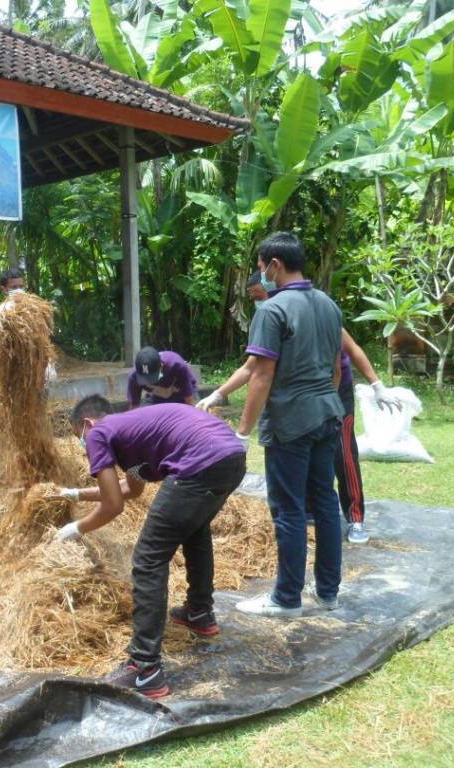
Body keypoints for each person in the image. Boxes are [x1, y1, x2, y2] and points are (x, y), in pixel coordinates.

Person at [52, 395, 246, 698]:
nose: (82, 443)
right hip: (231, 455)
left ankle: (145, 669)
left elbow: (113, 506)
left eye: (79, 435)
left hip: (200, 461)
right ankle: (199, 612)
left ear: (87, 424)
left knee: (147, 559)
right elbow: (130, 489)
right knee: (195, 530)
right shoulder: (131, 433)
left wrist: (76, 528)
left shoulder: (99, 433)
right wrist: (76, 494)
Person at [198, 328, 401, 546]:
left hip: (335, 394)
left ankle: (356, 519)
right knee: (305, 450)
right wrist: (218, 394)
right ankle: (309, 509)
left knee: (343, 454)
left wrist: (377, 385)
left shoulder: (325, 316)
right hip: (302, 396)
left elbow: (350, 354)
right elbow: (252, 367)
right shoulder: (277, 324)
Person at [231, 232, 345, 619]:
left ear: (274, 265)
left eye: (262, 268)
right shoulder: (328, 305)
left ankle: (286, 597)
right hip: (328, 414)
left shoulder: (272, 311)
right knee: (326, 502)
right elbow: (334, 369)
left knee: (289, 509)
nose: (260, 275)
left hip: (290, 423)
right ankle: (328, 592)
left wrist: (242, 432)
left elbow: (261, 375)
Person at [126, 346, 198, 408]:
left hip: (182, 395)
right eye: (146, 379)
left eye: (152, 377)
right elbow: (134, 407)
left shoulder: (178, 367)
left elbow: (190, 402)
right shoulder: (134, 377)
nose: (150, 382)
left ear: (161, 366)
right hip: (156, 397)